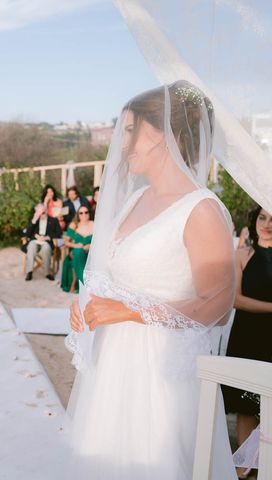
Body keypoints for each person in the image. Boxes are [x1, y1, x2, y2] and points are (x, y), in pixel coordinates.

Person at [65, 81, 237, 479]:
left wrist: (130, 312)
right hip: (111, 369)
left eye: (130, 131)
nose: (122, 143)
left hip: (159, 378)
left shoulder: (201, 210)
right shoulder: (133, 199)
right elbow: (111, 273)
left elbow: (218, 302)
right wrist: (88, 303)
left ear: (162, 135)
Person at [222, 204, 272, 479]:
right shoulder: (242, 254)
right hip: (247, 334)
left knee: (268, 400)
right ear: (254, 220)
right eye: (262, 217)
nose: (267, 223)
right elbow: (235, 299)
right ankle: (245, 467)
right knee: (245, 403)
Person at [23, 203, 62, 281]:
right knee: (31, 245)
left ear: (46, 211)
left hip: (46, 242)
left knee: (46, 248)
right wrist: (34, 220)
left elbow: (59, 233)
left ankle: (47, 273)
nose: (41, 215)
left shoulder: (53, 220)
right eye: (39, 213)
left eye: (43, 212)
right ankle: (29, 272)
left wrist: (48, 237)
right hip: (35, 240)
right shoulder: (34, 219)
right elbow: (27, 234)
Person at [61, 204, 93, 293]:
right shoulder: (74, 225)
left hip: (90, 252)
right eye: (81, 213)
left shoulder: (93, 224)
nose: (84, 215)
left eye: (86, 212)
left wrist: (90, 246)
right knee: (78, 251)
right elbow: (66, 241)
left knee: (81, 252)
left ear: (89, 213)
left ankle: (84, 285)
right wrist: (76, 245)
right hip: (76, 252)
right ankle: (84, 285)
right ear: (78, 215)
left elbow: (99, 241)